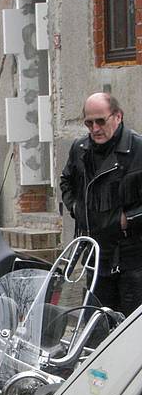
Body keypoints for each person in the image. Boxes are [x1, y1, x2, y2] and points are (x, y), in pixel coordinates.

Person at [60, 92, 142, 316]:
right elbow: (66, 180)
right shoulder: (80, 149)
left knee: (130, 328)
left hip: (132, 256)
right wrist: (76, 208)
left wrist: (127, 220)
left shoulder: (137, 149)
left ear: (117, 116)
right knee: (96, 325)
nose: (95, 128)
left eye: (100, 121)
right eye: (89, 122)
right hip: (95, 254)